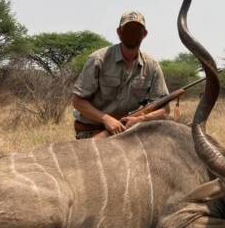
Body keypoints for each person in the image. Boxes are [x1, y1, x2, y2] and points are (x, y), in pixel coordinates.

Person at [72, 11, 170, 139]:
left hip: (130, 131)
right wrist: (106, 119)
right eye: (128, 30)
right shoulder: (98, 60)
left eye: (136, 30)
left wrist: (140, 119)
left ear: (144, 34)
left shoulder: (152, 66)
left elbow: (164, 110)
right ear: (119, 32)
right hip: (92, 132)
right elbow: (78, 101)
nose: (132, 34)